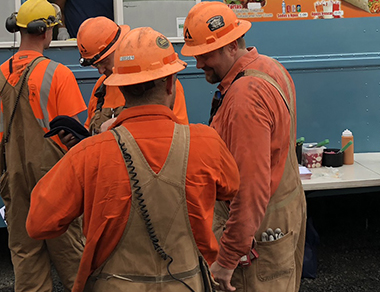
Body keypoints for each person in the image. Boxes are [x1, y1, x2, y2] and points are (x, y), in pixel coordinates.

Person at [27, 27, 239, 291]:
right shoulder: (206, 143)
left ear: (120, 88)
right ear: (171, 84)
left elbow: (38, 223)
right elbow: (231, 188)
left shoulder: (89, 154)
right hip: (188, 282)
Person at [180, 1, 307, 292]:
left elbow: (250, 187)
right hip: (282, 212)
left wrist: (228, 257)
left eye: (205, 54)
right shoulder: (269, 67)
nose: (199, 64)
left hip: (259, 227)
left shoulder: (244, 97)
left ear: (232, 45)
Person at [0, 0, 87, 292]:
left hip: (14, 181)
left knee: (26, 261)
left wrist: (10, 170)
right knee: (73, 259)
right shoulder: (59, 74)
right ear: (46, 32)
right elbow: (74, 138)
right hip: (56, 180)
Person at [76, 17, 188, 134]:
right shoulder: (101, 87)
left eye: (103, 62)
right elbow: (89, 128)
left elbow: (178, 135)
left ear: (120, 48)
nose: (101, 70)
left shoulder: (163, 83)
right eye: (96, 65)